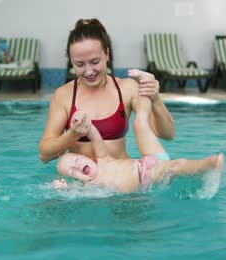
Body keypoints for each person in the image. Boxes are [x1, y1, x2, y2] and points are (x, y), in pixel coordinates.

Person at [38, 18, 175, 164]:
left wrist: (155, 99)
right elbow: (45, 155)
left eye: (95, 61)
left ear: (107, 55)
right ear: (72, 62)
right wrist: (72, 134)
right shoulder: (64, 95)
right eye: (79, 64)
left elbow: (167, 134)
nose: (89, 71)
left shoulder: (127, 89)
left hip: (120, 179)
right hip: (82, 182)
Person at [53, 94, 224, 194]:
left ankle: (149, 92)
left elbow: (94, 135)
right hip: (146, 179)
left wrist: (84, 124)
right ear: (76, 180)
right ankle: (205, 165)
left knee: (140, 123)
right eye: (73, 172)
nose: (78, 167)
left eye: (77, 161)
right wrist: (65, 190)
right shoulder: (92, 186)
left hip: (149, 161)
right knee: (175, 166)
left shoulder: (103, 158)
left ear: (85, 157)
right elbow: (80, 195)